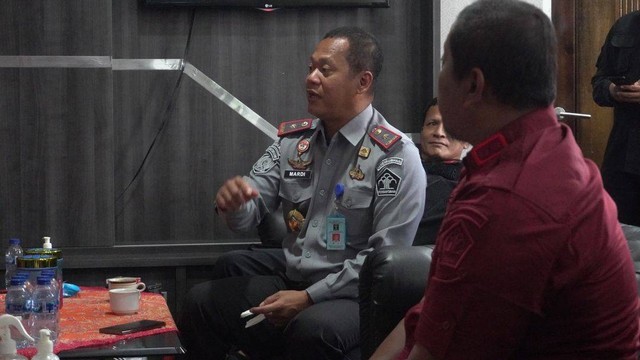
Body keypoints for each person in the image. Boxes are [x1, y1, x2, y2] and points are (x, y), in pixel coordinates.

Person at [372, 1, 640, 359]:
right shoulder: (545, 146)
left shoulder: (506, 203)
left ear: (473, 84)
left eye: (443, 65)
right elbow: (432, 307)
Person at [178, 26, 426, 360]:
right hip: (294, 277)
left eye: (325, 70)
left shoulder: (394, 155)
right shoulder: (294, 142)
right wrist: (235, 205)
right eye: (310, 67)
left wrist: (310, 298)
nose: (310, 78)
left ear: (363, 81)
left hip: (353, 296)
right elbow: (252, 211)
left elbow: (382, 262)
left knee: (311, 330)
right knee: (201, 304)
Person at [592, 10, 640, 227]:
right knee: (618, 237)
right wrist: (612, 90)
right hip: (622, 162)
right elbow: (599, 82)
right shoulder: (624, 26)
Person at [414, 97, 469, 245]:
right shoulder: (400, 173)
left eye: (450, 127)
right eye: (432, 123)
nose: (439, 132)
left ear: (466, 140)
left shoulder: (468, 188)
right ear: (422, 130)